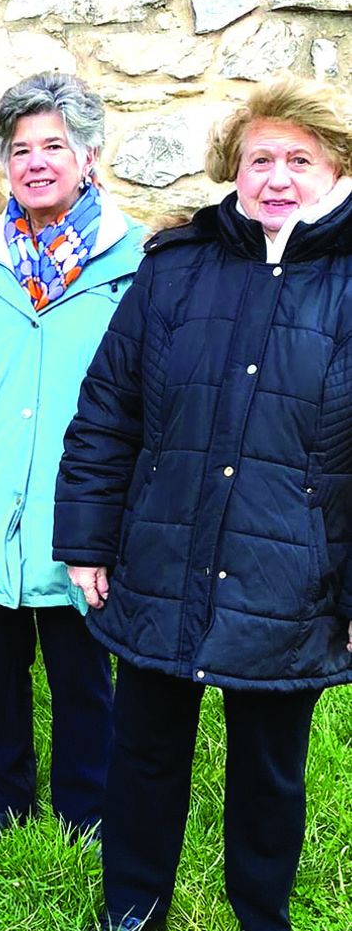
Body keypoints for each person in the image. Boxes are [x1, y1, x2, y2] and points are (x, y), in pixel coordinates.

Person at [54, 76, 352, 931]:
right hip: (162, 558)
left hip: (293, 577)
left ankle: (260, 912)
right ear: (235, 168)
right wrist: (88, 539)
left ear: (335, 170)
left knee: (270, 767)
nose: (278, 176)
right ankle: (132, 906)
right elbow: (109, 411)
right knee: (144, 753)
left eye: (300, 158)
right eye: (261, 158)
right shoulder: (177, 268)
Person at [0, 72, 143, 835]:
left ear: (89, 156)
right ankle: (6, 801)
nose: (36, 162)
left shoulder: (132, 263)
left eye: (54, 146)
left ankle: (85, 811)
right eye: (20, 149)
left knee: (83, 674)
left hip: (80, 514)